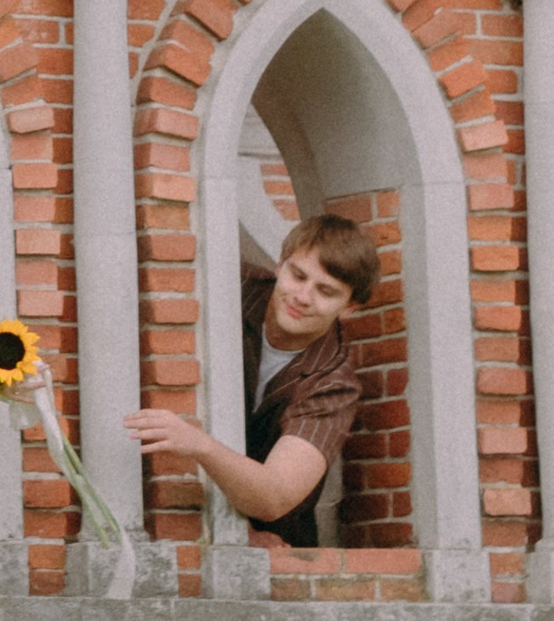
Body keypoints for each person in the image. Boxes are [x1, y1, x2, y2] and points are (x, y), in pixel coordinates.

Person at [124, 212, 377, 546]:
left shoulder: (333, 383)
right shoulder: (227, 285)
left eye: (325, 291)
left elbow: (275, 496)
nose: (302, 296)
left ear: (349, 308)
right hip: (163, 520)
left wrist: (199, 444)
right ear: (279, 265)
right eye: (298, 275)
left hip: (277, 550)